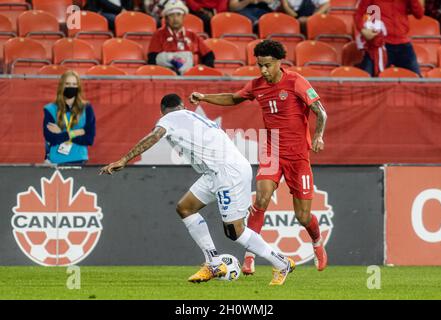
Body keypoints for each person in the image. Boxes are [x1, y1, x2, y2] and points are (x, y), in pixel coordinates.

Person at [100, 93, 296, 285]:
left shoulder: (170, 118)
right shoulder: (194, 116)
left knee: (234, 232)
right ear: (182, 106)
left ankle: (281, 263)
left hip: (228, 173)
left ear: (163, 113)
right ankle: (213, 262)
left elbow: (155, 135)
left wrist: (124, 159)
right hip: (216, 172)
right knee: (185, 207)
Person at [189, 39, 328, 275]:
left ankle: (316, 243)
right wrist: (204, 97)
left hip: (298, 155)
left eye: (267, 65)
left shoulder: (296, 81)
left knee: (302, 216)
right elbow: (234, 98)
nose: (263, 70)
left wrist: (318, 136)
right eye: (260, 65)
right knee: (261, 200)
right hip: (272, 151)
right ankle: (250, 257)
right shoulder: (257, 85)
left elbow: (320, 111)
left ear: (279, 62)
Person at [355, 0, 425, 77]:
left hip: (403, 45)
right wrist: (363, 30)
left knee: (418, 81)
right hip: (380, 44)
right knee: (365, 79)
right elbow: (358, 14)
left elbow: (419, 14)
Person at [43, 70, 96, 165]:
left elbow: (89, 139)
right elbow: (51, 138)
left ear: (78, 87)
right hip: (55, 161)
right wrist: (77, 132)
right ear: (61, 86)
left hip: (79, 160)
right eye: (67, 83)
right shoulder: (50, 109)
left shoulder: (86, 108)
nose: (71, 87)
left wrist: (61, 133)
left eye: (74, 84)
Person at [148, 0, 215, 74]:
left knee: (188, 56)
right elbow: (152, 59)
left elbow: (209, 55)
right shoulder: (158, 35)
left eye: (178, 15)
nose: (175, 19)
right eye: (171, 15)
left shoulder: (192, 35)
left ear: (183, 17)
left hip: (188, 76)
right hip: (166, 77)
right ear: (166, 19)